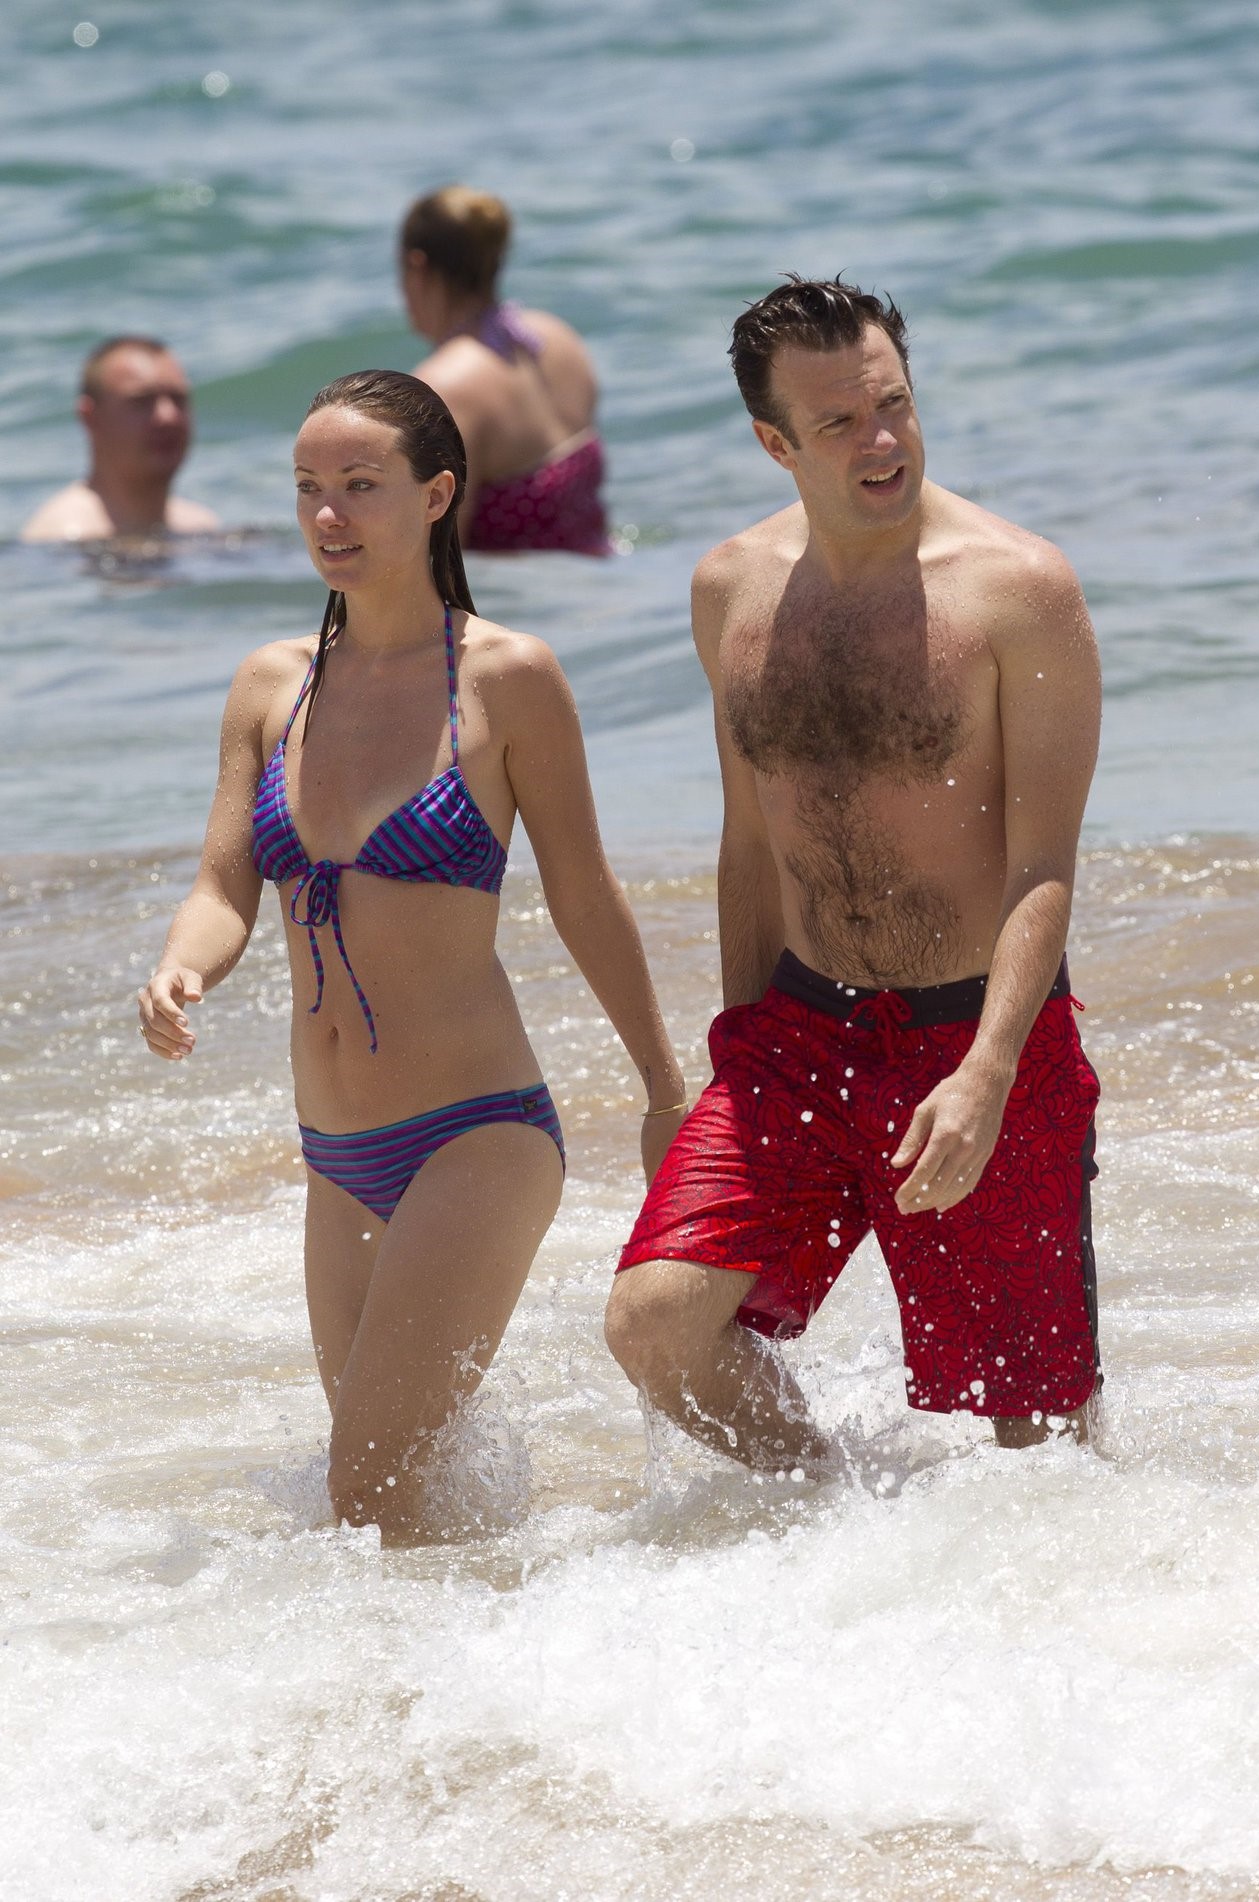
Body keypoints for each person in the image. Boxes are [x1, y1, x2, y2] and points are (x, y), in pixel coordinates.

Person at [139, 369, 684, 1543]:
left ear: (437, 495)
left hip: (475, 1137)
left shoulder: (505, 679)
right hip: (337, 1155)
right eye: (307, 489)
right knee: (400, 1515)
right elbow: (223, 887)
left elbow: (586, 898)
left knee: (363, 1483)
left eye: (360, 486)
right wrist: (185, 966)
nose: (328, 515)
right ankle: (469, 1700)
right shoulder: (270, 687)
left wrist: (660, 1089)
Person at [605, 276, 1103, 1470]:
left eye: (892, 404)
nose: (879, 441)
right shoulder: (729, 590)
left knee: (1031, 1446)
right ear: (773, 442)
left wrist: (986, 1075)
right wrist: (728, 1060)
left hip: (977, 1035)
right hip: (797, 1033)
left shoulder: (1016, 592)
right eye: (837, 423)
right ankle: (832, 1514)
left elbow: (1042, 865)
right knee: (657, 1326)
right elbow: (746, 843)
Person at [399, 185, 610, 556]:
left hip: (525, 608)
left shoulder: (444, 387)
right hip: (601, 580)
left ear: (417, 266)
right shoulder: (557, 338)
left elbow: (437, 562)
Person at [21, 336, 220, 543]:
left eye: (178, 398)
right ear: (91, 417)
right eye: (142, 401)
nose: (168, 416)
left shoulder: (200, 526)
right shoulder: (63, 537)